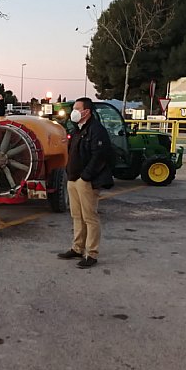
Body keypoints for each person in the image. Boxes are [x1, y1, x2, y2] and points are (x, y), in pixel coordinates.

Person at [57, 97, 114, 268]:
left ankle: (92, 253)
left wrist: (86, 176)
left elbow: (100, 157)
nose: (73, 112)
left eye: (76, 108)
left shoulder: (97, 130)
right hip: (73, 179)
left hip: (85, 181)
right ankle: (77, 248)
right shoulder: (77, 129)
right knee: (77, 216)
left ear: (86, 112)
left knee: (90, 217)